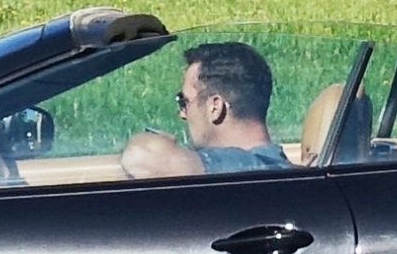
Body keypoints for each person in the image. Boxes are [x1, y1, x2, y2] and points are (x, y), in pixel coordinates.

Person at [121, 41, 291, 178]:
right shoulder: (272, 168)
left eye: (184, 102)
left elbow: (141, 157)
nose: (182, 114)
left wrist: (162, 143)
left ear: (215, 108)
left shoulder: (244, 169)